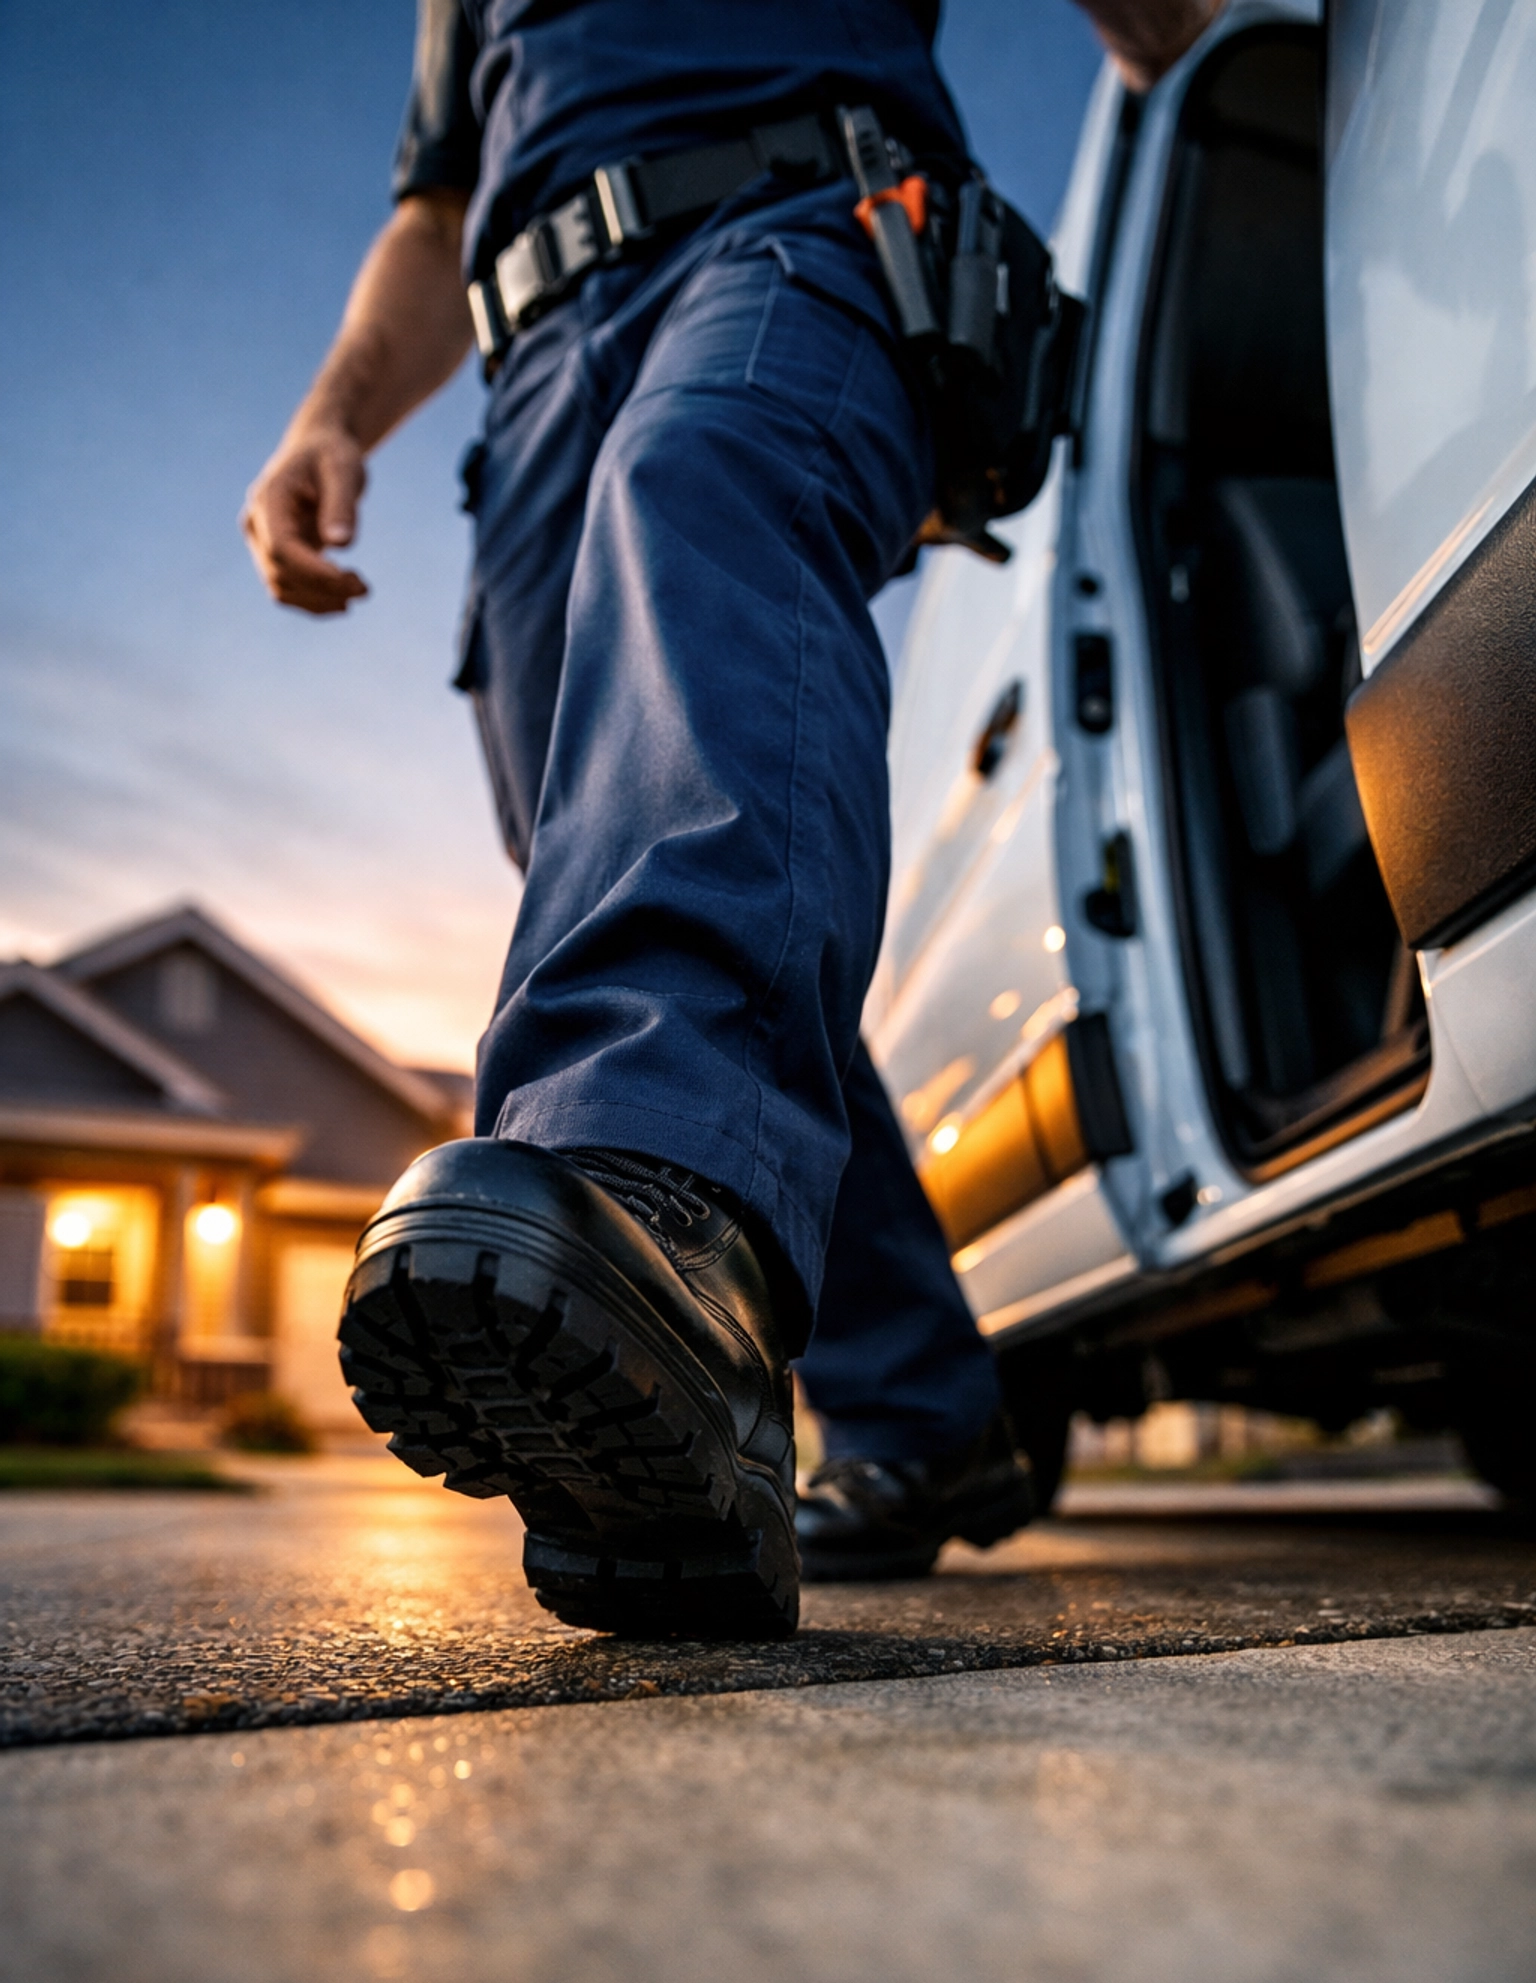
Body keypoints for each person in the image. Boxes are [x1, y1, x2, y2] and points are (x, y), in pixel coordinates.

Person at [243, 0, 1222, 1640]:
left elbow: (1166, 28)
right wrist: (328, 415)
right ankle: (921, 1416)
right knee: (660, 856)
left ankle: (660, 1243)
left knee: (702, 503)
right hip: (539, 363)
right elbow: (431, 214)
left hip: (804, 234)